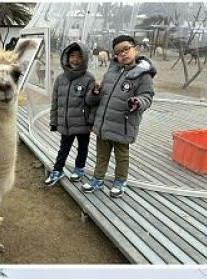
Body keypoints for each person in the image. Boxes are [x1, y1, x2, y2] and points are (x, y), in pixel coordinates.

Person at [83, 35, 156, 198]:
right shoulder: (111, 71)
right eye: (118, 52)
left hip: (123, 124)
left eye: (126, 49)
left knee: (122, 157)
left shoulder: (143, 75)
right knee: (102, 155)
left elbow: (147, 96)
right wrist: (95, 92)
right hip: (103, 123)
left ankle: (120, 182)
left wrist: (138, 102)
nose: (122, 54)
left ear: (135, 48)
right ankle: (97, 179)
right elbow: (100, 95)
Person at [45, 41, 95, 186]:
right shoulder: (60, 79)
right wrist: (54, 121)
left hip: (83, 123)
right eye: (72, 55)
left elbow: (92, 103)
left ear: (84, 58)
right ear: (66, 57)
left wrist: (91, 120)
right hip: (66, 123)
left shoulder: (88, 78)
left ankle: (79, 169)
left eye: (79, 56)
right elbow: (55, 102)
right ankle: (57, 170)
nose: (75, 59)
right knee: (64, 147)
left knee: (83, 147)